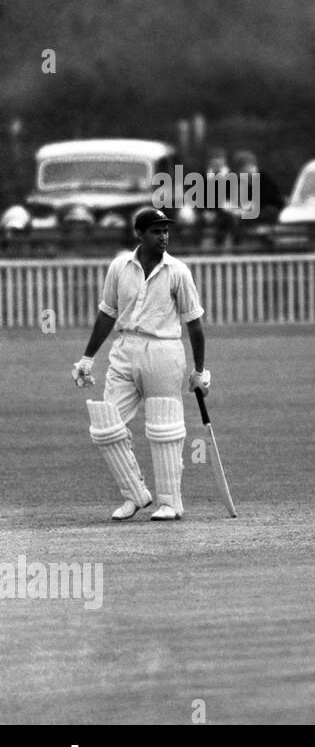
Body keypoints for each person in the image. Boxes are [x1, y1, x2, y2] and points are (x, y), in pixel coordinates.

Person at [72, 208, 210, 521]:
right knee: (106, 426)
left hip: (163, 350)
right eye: (156, 231)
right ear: (139, 234)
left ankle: (170, 502)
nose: (163, 236)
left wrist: (200, 371)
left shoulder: (178, 271)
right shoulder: (120, 266)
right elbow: (108, 313)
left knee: (164, 427)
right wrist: (87, 357)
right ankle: (135, 495)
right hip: (124, 349)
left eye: (166, 230)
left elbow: (195, 325)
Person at [232, 149, 284, 229]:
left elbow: (271, 201)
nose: (250, 169)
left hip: (266, 211)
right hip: (248, 213)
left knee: (269, 211)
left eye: (251, 166)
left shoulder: (264, 178)